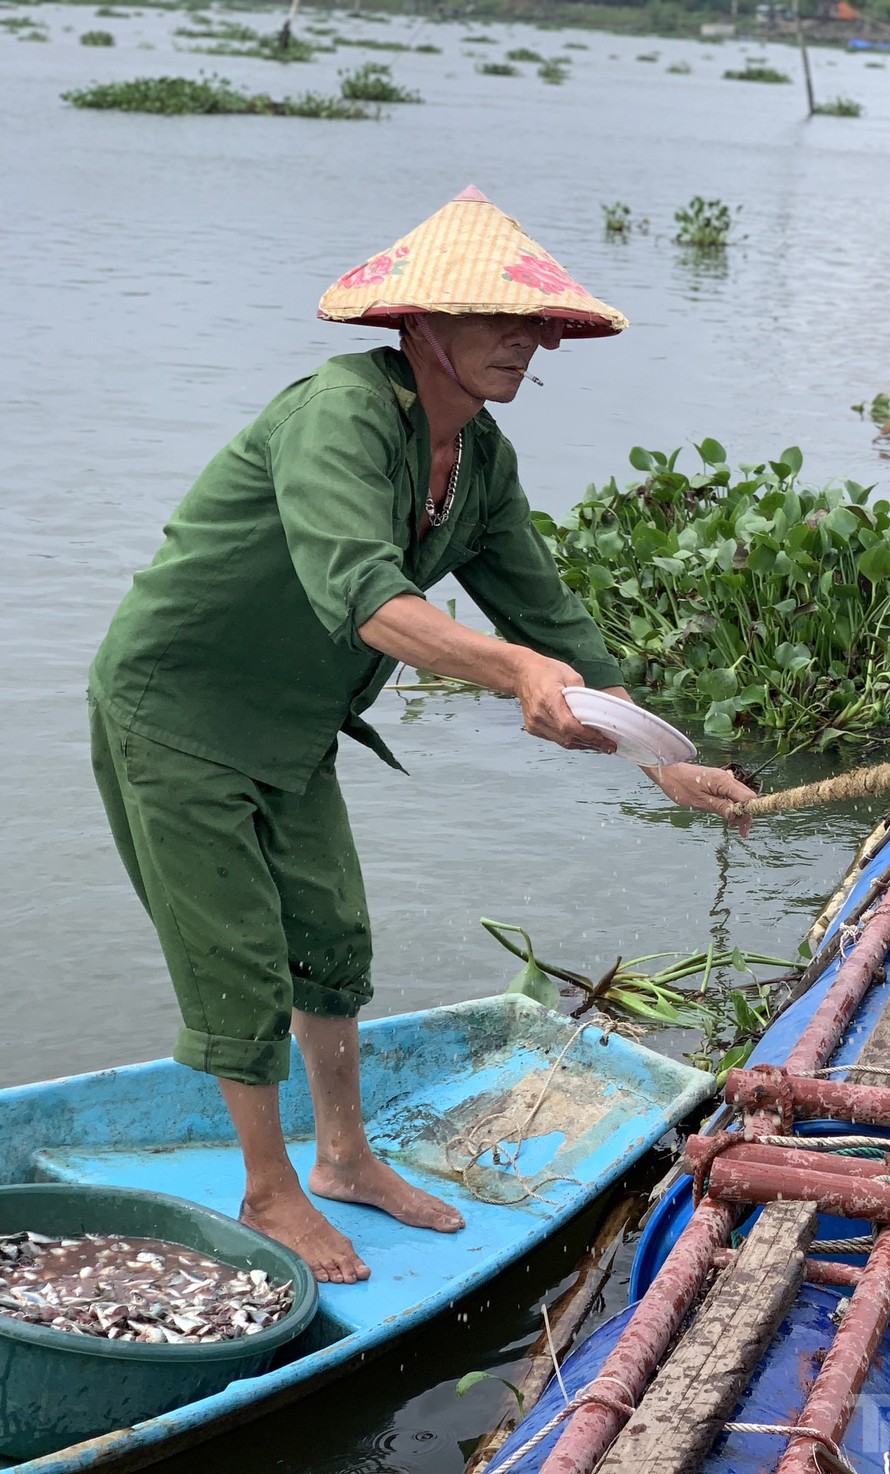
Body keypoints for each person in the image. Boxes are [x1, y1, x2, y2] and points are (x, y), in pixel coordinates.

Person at [87, 187, 755, 1284]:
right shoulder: (339, 415)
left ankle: (344, 1156)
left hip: (294, 724)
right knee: (238, 958)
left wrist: (663, 757)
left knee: (333, 934)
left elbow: (551, 623)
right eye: (492, 317)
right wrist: (512, 674)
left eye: (533, 322)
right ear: (418, 325)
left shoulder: (480, 463)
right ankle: (269, 1189)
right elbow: (365, 598)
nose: (522, 340)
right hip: (178, 709)